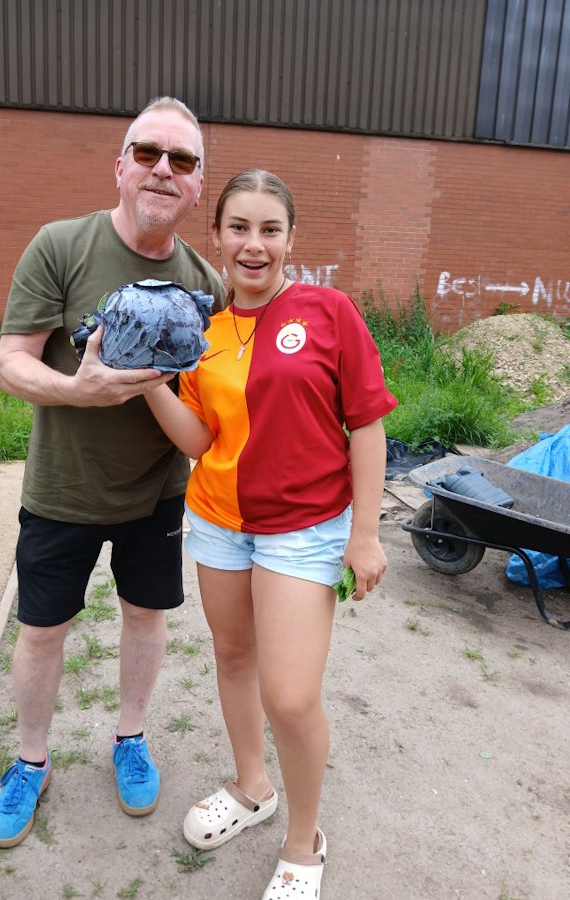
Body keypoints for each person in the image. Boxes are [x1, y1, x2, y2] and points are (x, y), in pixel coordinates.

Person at [144, 169, 397, 899]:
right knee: (233, 657)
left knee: (289, 696)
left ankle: (303, 839)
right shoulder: (203, 332)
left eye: (269, 230)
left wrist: (366, 534)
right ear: (216, 236)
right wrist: (150, 382)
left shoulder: (328, 311)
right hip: (219, 522)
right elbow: (199, 440)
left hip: (304, 530)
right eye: (239, 228)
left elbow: (367, 425)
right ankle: (253, 787)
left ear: (290, 239)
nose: (253, 245)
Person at [0, 97, 224, 849]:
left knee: (145, 616)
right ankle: (31, 761)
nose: (163, 169)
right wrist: (76, 390)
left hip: (157, 493)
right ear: (120, 166)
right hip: (63, 486)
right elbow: (11, 363)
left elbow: (212, 400)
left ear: (197, 186)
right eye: (148, 153)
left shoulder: (205, 283)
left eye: (182, 160)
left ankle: (130, 739)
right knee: (42, 630)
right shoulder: (61, 245)